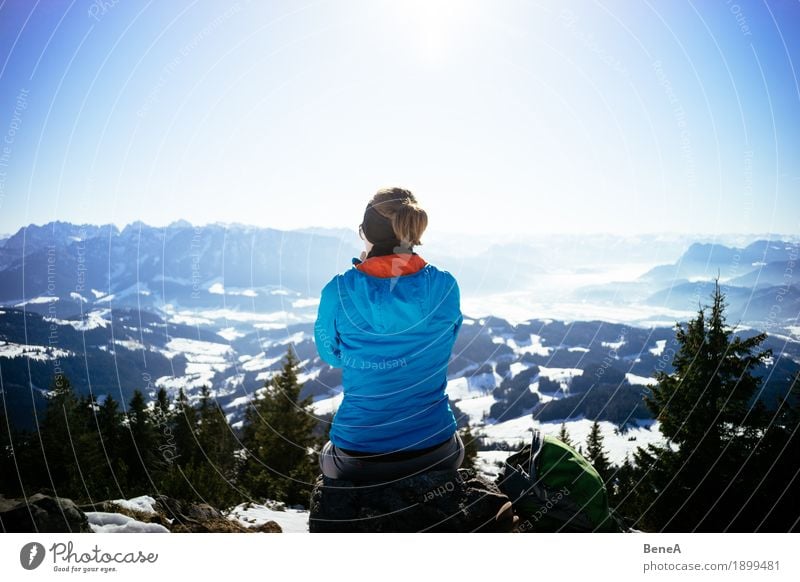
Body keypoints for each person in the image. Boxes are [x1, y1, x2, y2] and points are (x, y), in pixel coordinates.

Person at [314, 187, 465, 482]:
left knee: (325, 457)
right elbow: (448, 337)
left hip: (357, 456)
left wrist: (361, 273)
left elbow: (329, 353)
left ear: (367, 232)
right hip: (437, 450)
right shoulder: (446, 286)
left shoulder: (338, 291)